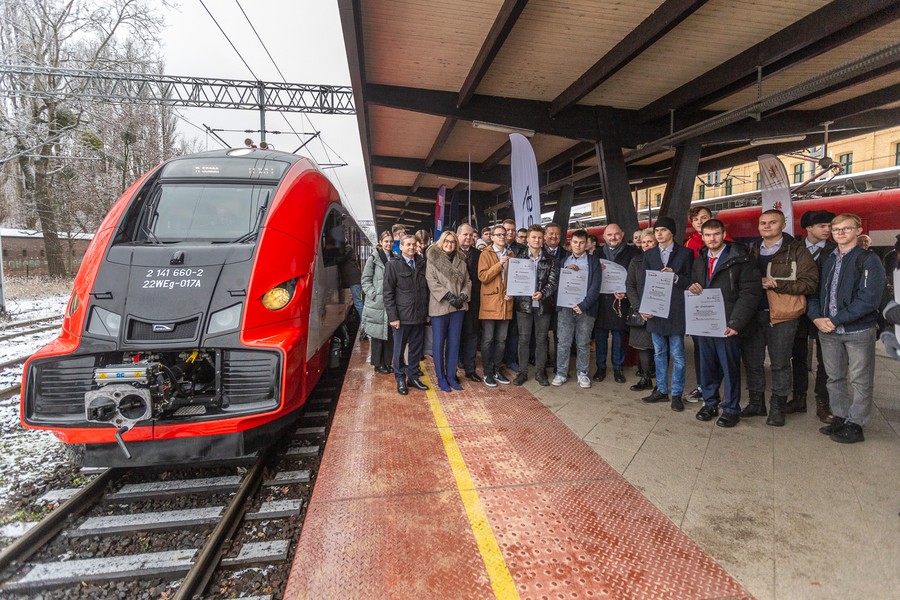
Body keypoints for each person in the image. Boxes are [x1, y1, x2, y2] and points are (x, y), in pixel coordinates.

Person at [809, 213, 887, 443]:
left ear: (858, 230)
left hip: (858, 331)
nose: (840, 233)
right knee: (834, 378)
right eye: (836, 229)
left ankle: (856, 424)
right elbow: (814, 292)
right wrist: (816, 318)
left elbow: (869, 299)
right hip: (828, 331)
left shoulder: (869, 260)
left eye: (846, 228)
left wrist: (835, 320)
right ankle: (840, 417)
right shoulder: (828, 259)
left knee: (860, 379)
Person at [741, 210, 818, 426]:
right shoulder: (753, 249)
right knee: (753, 362)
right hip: (753, 314)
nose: (766, 226)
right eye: (762, 223)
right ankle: (756, 403)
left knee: (780, 364)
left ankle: (778, 408)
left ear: (783, 225)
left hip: (784, 316)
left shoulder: (797, 250)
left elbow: (810, 282)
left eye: (772, 222)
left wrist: (776, 284)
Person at [689, 219, 761, 428]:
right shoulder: (700, 260)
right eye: (708, 235)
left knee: (729, 368)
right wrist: (692, 287)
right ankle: (710, 403)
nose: (712, 239)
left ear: (723, 234)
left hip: (727, 324)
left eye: (716, 234)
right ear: (702, 237)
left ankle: (730, 409)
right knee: (707, 366)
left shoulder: (740, 259)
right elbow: (694, 285)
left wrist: (736, 322)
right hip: (705, 323)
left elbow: (750, 293)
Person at [640, 216, 693, 412]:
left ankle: (677, 394)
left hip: (676, 310)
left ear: (672, 232)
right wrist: (645, 307)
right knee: (659, 353)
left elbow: (691, 280)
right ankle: (661, 390)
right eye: (657, 230)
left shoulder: (686, 253)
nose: (659, 233)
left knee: (677, 354)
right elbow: (645, 282)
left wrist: (675, 277)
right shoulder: (649, 254)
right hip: (655, 310)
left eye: (663, 230)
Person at [789, 209, 837, 423]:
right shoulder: (794, 248)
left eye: (829, 226)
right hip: (797, 308)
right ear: (808, 228)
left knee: (825, 359)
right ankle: (798, 397)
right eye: (822, 226)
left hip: (825, 312)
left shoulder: (835, 250)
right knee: (797, 356)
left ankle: (822, 401)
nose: (828, 230)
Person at [553, 229, 602, 388]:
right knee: (563, 342)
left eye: (581, 243)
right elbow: (556, 283)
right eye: (575, 242)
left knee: (583, 343)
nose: (578, 245)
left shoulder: (594, 261)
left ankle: (582, 373)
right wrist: (566, 272)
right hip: (565, 308)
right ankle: (561, 373)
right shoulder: (564, 261)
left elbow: (595, 286)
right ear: (570, 243)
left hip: (586, 309)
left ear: (586, 244)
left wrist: (583, 305)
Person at [512, 225, 559, 386]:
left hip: (543, 305)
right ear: (528, 239)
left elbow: (553, 282)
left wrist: (542, 293)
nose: (537, 240)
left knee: (541, 340)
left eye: (539, 237)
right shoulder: (518, 258)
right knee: (524, 340)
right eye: (533, 237)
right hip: (523, 305)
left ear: (543, 239)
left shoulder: (551, 260)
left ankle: (540, 372)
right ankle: (522, 372)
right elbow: (514, 280)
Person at [383, 235, 429, 395]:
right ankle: (400, 378)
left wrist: (426, 313)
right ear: (401, 246)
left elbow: (426, 290)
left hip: (419, 316)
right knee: (399, 350)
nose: (411, 247)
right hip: (401, 318)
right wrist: (393, 317)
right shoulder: (392, 265)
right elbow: (388, 293)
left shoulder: (422, 264)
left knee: (416, 349)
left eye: (414, 244)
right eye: (408, 244)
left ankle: (413, 377)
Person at [594, 224, 640, 383]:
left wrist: (626, 294)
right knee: (600, 338)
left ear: (622, 234)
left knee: (619, 338)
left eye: (616, 234)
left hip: (621, 302)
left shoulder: (633, 253)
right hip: (601, 302)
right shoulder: (597, 253)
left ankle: (618, 369)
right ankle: (600, 368)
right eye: (609, 235)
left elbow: (636, 279)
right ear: (604, 237)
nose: (613, 238)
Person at [426, 231, 471, 392]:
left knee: (454, 343)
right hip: (440, 306)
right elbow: (431, 281)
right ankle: (441, 378)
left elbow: (467, 282)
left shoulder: (461, 261)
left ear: (456, 244)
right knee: (438, 344)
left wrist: (463, 296)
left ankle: (451, 376)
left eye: (452, 242)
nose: (449, 244)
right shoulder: (433, 259)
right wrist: (449, 297)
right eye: (446, 241)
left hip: (458, 308)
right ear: (441, 242)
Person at [478, 225, 515, 387]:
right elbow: (483, 276)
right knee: (488, 340)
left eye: (504, 234)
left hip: (506, 302)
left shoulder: (511, 254)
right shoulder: (485, 254)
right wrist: (499, 264)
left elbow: (515, 278)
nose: (502, 237)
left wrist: (512, 292)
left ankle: (497, 370)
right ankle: (487, 372)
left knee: (501, 340)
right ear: (492, 237)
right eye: (498, 234)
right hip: (490, 303)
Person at [626, 229, 657, 391]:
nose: (646, 245)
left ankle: (659, 380)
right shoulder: (635, 261)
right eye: (644, 242)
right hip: (641, 311)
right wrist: (639, 308)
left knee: (660, 348)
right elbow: (630, 285)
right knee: (643, 346)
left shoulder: (664, 261)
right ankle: (645, 378)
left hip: (659, 311)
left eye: (650, 242)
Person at [361, 231, 394, 374]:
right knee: (377, 334)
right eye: (386, 241)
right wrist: (373, 294)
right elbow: (365, 279)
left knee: (389, 334)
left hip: (390, 300)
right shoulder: (373, 258)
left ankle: (387, 363)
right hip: (377, 303)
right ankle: (377, 364)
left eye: (391, 241)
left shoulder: (395, 257)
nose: (388, 244)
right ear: (381, 242)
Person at [457, 223, 482, 382]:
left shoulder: (479, 254)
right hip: (455, 302)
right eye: (465, 234)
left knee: (472, 335)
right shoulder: (450, 252)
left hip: (474, 302)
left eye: (471, 235)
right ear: (457, 235)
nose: (468, 237)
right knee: (455, 336)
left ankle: (470, 369)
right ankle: (454, 366)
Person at [338, 243, 364, 335]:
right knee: (358, 302)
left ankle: (365, 324)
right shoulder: (347, 248)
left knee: (358, 303)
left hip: (354, 280)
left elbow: (340, 259)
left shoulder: (347, 248)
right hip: (353, 280)